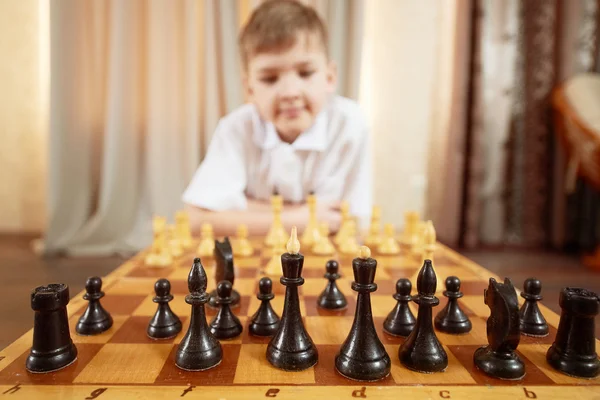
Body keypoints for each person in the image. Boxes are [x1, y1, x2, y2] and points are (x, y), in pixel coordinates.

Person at [182, 0, 372, 237]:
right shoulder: (235, 128)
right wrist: (302, 218)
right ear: (249, 88)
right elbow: (196, 220)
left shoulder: (349, 124)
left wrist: (245, 208)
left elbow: (348, 224)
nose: (290, 92)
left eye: (305, 73)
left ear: (330, 77)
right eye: (270, 78)